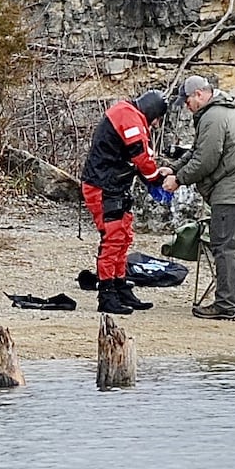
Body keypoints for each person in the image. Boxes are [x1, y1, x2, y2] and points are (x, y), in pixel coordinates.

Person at [161, 75, 235, 320]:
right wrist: (174, 168)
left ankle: (225, 305)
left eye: (187, 100)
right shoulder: (221, 111)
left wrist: (178, 180)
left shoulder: (213, 117)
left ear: (199, 94)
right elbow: (198, 151)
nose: (186, 105)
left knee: (224, 246)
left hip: (233, 192)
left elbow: (205, 160)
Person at [79, 90, 170, 315]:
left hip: (113, 186)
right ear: (151, 111)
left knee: (124, 236)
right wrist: (156, 179)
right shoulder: (129, 118)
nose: (156, 124)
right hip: (104, 187)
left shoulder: (127, 113)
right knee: (113, 238)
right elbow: (141, 156)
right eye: (157, 119)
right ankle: (107, 294)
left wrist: (151, 175)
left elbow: (137, 156)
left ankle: (119, 286)